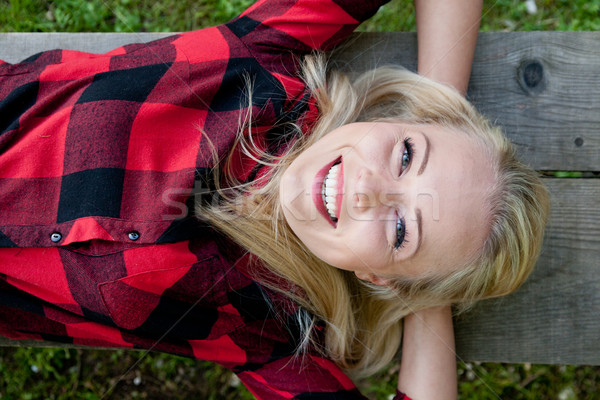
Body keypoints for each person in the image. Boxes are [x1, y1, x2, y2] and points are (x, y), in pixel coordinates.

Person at [0, 0, 549, 399]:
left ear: (378, 277)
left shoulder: (270, 332)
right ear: (397, 119)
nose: (368, 188)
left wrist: (424, 295)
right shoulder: (265, 59)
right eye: (406, 155)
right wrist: (439, 106)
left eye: (401, 227)